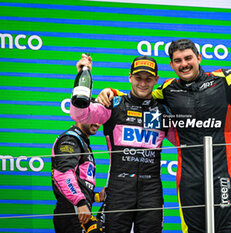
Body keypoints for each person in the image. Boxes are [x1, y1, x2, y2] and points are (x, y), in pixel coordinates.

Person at [97, 20, 231, 233]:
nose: (184, 64)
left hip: (224, 174)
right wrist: (112, 93)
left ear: (199, 58)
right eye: (178, 60)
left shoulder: (224, 80)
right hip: (189, 178)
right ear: (172, 66)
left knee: (227, 230)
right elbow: (139, 95)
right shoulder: (168, 89)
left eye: (188, 58)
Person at [70, 55, 174, 233]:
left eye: (148, 79)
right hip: (119, 189)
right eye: (138, 78)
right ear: (130, 77)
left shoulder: (162, 111)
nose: (143, 83)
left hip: (151, 191)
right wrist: (83, 77)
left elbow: (188, 137)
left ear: (156, 80)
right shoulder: (114, 104)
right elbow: (80, 115)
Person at [51, 122, 105, 233]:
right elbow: (63, 174)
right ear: (81, 115)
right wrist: (80, 203)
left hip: (78, 213)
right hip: (71, 212)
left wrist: (97, 197)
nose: (97, 123)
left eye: (100, 119)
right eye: (93, 118)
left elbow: (80, 183)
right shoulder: (71, 139)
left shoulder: (82, 141)